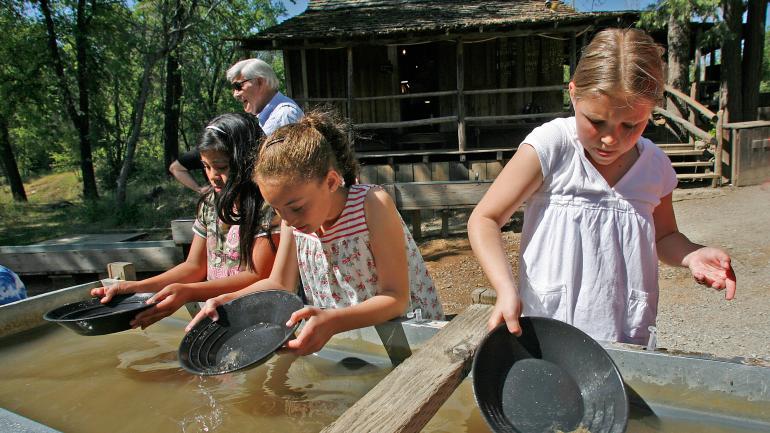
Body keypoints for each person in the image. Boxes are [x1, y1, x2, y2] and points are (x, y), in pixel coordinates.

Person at [467, 28, 737, 345]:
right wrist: (505, 288)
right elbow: (484, 219)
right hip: (552, 331)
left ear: (651, 111)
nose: (611, 139)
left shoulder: (655, 165)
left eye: (631, 125)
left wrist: (692, 254)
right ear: (573, 94)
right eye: (596, 122)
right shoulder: (551, 147)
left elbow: (664, 236)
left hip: (626, 335)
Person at [186, 110, 443, 355]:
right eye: (277, 208)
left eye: (296, 207)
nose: (287, 219)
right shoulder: (292, 220)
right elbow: (280, 284)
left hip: (410, 336)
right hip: (348, 337)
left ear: (331, 182)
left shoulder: (372, 204)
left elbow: (395, 298)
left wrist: (333, 321)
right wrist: (229, 300)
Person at [92, 113, 279, 328]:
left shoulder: (268, 206)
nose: (212, 176)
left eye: (221, 167)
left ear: (247, 161)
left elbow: (258, 277)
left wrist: (189, 292)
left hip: (261, 319)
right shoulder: (211, 203)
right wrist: (136, 287)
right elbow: (194, 266)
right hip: (219, 315)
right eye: (206, 166)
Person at [169, 58, 304, 193]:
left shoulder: (283, 115)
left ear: (260, 82)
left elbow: (284, 173)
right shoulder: (268, 116)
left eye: (238, 86)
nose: (235, 94)